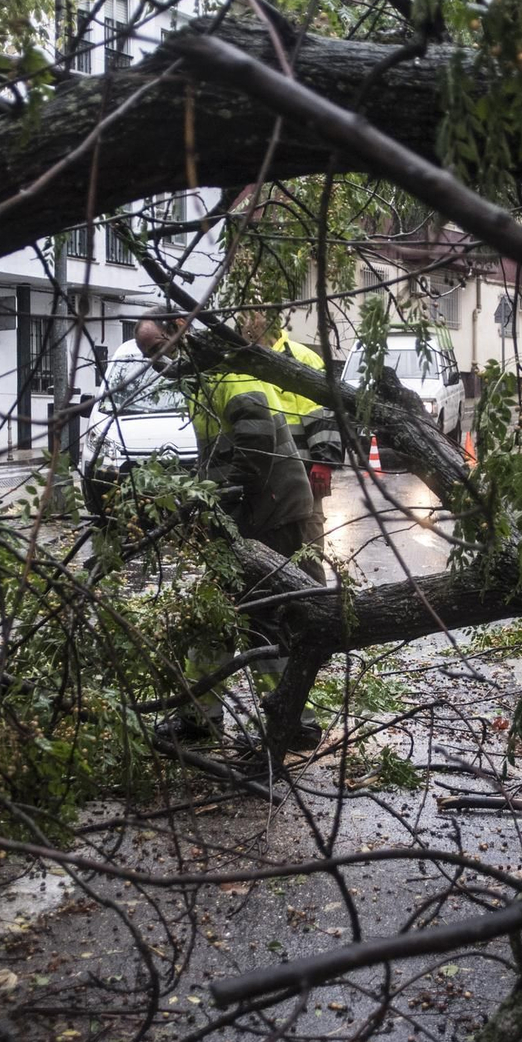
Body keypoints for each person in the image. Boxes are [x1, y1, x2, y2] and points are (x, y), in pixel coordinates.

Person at [134, 308, 319, 749]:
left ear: (179, 329)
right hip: (249, 512)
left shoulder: (225, 371)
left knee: (264, 617)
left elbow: (255, 442)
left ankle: (295, 722)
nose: (156, 362)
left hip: (271, 511)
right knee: (214, 614)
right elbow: (220, 453)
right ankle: (200, 716)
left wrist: (212, 497)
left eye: (158, 349)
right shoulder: (202, 376)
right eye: (147, 356)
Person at [239, 310, 338, 579]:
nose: (249, 341)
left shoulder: (301, 358)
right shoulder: (248, 362)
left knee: (308, 545)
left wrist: (324, 462)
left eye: (252, 335)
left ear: (268, 332)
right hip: (270, 475)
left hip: (306, 470)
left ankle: (317, 603)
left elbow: (323, 412)